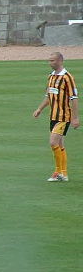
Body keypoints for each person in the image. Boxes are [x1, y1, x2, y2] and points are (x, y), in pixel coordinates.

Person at [33, 51, 80, 181]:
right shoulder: (51, 77)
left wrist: (75, 118)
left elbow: (74, 98)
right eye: (49, 60)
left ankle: (60, 172)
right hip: (53, 116)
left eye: (52, 60)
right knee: (60, 144)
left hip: (64, 117)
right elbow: (49, 96)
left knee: (53, 142)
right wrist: (39, 109)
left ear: (60, 61)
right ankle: (62, 173)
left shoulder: (67, 77)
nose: (50, 63)